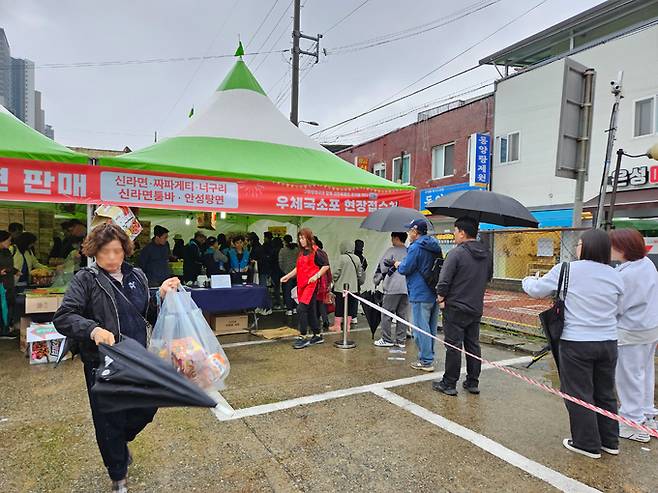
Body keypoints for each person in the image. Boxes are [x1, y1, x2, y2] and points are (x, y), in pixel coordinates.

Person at [53, 222, 180, 492]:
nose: (111, 257)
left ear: (125, 250)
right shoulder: (85, 280)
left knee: (147, 406)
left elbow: (148, 314)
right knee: (108, 418)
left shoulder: (138, 277)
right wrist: (93, 329)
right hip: (103, 364)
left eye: (117, 251)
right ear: (94, 252)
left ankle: (118, 442)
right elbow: (64, 317)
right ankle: (118, 475)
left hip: (136, 358)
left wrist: (164, 297)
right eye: (104, 252)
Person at [523, 229, 623, 459]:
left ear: (586, 247)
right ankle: (610, 441)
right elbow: (621, 309)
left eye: (579, 243)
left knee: (578, 392)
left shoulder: (567, 269)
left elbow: (536, 290)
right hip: (608, 341)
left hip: (576, 342)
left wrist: (527, 280)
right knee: (605, 392)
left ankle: (586, 442)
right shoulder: (615, 274)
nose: (577, 247)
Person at [432, 217, 492, 396]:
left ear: (463, 233)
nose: (454, 234)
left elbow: (444, 280)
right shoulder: (487, 254)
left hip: (456, 306)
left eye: (455, 231)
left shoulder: (456, 253)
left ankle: (449, 383)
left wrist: (441, 297)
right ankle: (472, 381)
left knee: (454, 346)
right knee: (473, 345)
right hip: (475, 306)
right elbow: (489, 277)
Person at [609, 228, 658, 443]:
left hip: (630, 331)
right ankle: (646, 414)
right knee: (644, 372)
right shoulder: (647, 265)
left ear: (622, 249)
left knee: (628, 377)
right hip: (649, 328)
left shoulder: (626, 275)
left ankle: (632, 422)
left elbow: (618, 306)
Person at [395, 219, 442, 372]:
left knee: (420, 328)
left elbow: (406, 268)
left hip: (419, 291)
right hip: (433, 290)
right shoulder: (434, 245)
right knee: (431, 327)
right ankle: (429, 356)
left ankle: (426, 360)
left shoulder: (415, 247)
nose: (408, 233)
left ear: (415, 232)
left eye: (410, 231)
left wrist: (398, 264)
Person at [281, 229, 330, 349]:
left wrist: (316, 276)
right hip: (302, 285)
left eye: (303, 238)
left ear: (309, 238)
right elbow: (298, 268)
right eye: (300, 238)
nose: (301, 240)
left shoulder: (317, 252)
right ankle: (317, 335)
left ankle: (303, 336)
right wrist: (287, 276)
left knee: (301, 308)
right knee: (312, 311)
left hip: (311, 285)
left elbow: (326, 265)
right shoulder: (302, 252)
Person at [373, 232, 409, 348]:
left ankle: (386, 339)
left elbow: (382, 268)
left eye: (392, 238)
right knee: (402, 315)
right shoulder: (409, 251)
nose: (391, 240)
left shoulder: (391, 251)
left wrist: (376, 280)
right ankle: (401, 340)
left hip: (393, 287)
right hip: (406, 288)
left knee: (387, 314)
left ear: (396, 238)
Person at [330, 240, 364, 332]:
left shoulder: (341, 258)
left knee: (339, 306)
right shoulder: (357, 258)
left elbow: (336, 272)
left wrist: (333, 280)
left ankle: (337, 325)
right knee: (350, 307)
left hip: (341, 288)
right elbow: (359, 273)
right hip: (353, 288)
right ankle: (347, 326)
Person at [0, 231, 16, 335]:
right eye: (8, 240)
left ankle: (7, 327)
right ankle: (4, 330)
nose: (10, 242)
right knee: (3, 306)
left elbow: (9, 266)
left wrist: (15, 270)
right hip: (1, 283)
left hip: (8, 282)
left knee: (9, 305)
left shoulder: (6, 251)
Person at [279, 234, 298, 316]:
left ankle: (289, 309)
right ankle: (295, 308)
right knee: (296, 291)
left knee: (288, 292)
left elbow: (280, 263)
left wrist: (285, 271)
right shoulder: (297, 250)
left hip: (287, 274)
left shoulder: (282, 250)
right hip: (297, 274)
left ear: (285, 241)